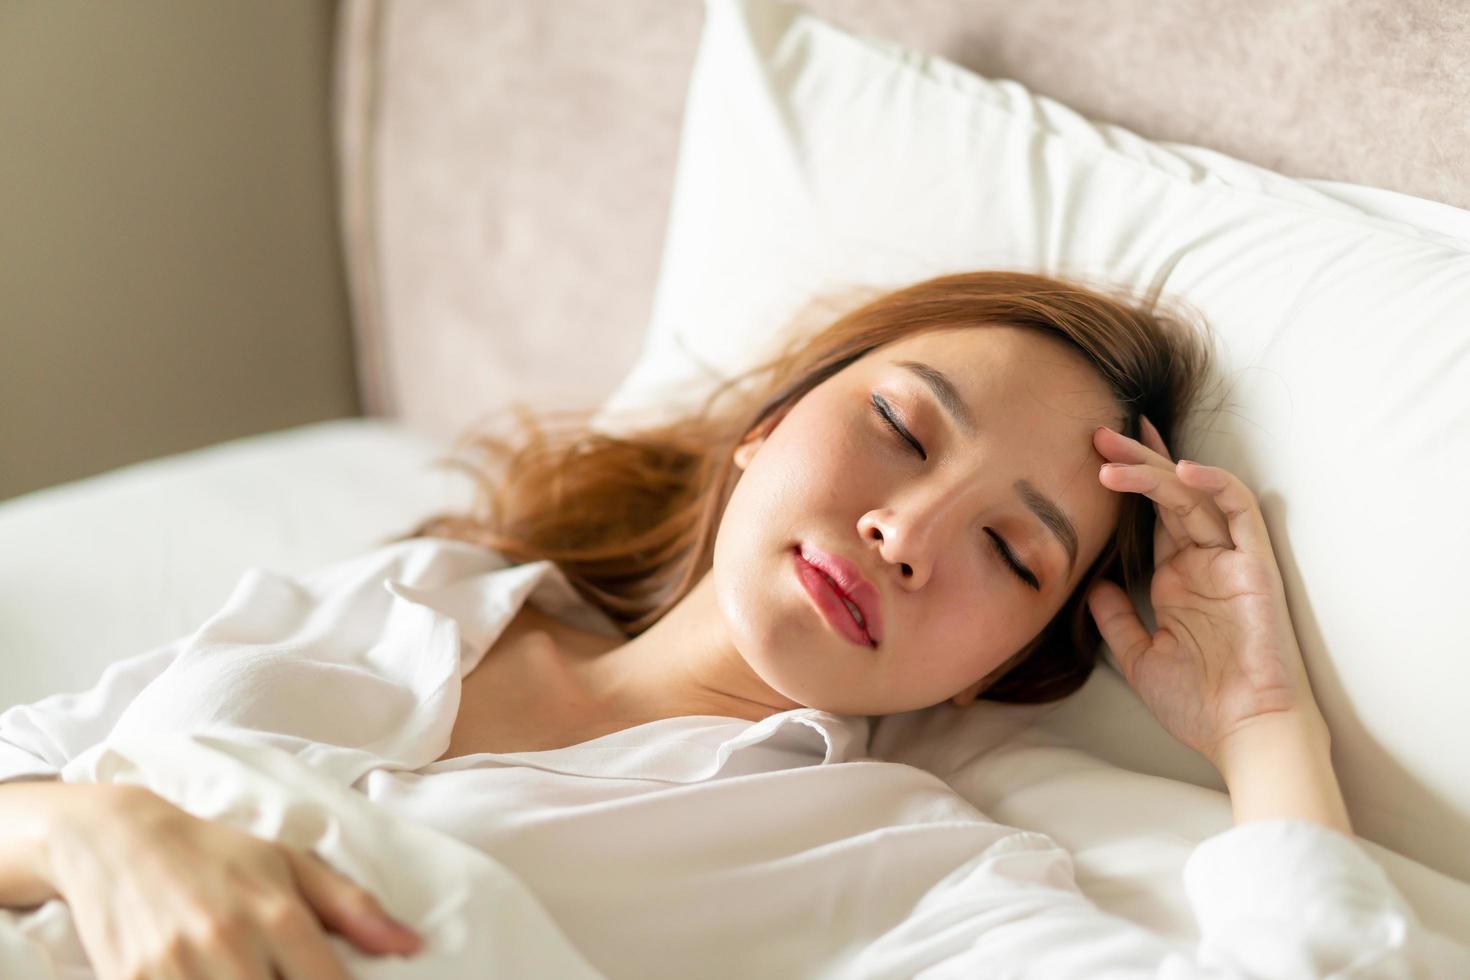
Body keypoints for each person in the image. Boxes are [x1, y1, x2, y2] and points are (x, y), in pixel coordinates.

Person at [0, 271, 1463, 978]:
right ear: (765, 429)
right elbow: (32, 771)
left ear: (1010, 665)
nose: (908, 530)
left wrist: (1266, 727)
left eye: (1010, 550)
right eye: (899, 429)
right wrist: (91, 832)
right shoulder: (415, 592)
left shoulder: (898, 862)